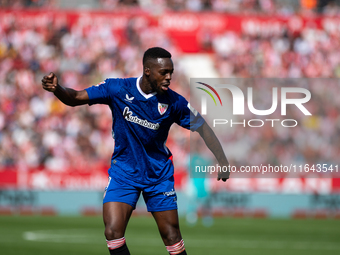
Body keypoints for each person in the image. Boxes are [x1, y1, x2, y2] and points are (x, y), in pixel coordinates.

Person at [41, 47, 229, 255]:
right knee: (113, 231)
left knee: (171, 236)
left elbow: (202, 127)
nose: (169, 77)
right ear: (147, 70)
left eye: (171, 72)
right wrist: (57, 89)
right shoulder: (117, 89)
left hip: (158, 175)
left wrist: (222, 160)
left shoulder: (175, 102)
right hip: (124, 173)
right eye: (164, 72)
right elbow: (75, 97)